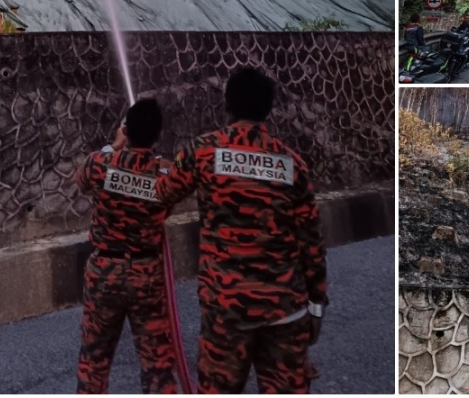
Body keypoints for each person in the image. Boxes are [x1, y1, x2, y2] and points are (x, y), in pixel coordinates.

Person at [156, 68, 327, 394]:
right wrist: (317, 306)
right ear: (268, 108)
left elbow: (163, 193)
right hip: (286, 311)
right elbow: (312, 243)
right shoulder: (292, 164)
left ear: (228, 104)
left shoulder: (203, 151)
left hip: (225, 312)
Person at [74, 98, 178, 394]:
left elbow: (80, 181)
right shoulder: (165, 175)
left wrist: (114, 146)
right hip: (146, 275)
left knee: (94, 361)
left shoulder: (99, 163)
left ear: (126, 130)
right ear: (157, 135)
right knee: (157, 364)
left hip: (104, 273)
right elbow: (170, 196)